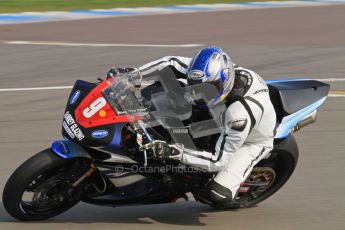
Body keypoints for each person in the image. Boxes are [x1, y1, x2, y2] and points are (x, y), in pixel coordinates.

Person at [109, 47, 276, 207]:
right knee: (159, 95)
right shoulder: (212, 73)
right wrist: (131, 76)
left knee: (217, 194)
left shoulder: (239, 115)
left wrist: (173, 151)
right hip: (220, 112)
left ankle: (201, 183)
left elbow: (218, 161)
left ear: (224, 82)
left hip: (250, 141)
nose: (197, 91)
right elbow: (170, 63)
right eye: (194, 83)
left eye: (205, 88)